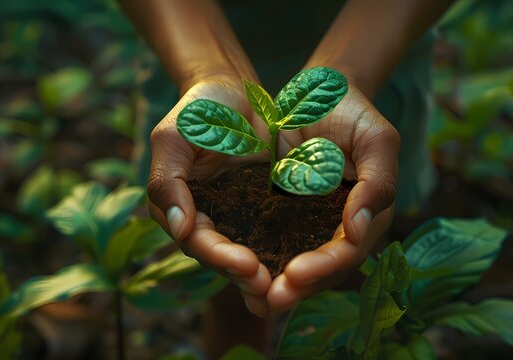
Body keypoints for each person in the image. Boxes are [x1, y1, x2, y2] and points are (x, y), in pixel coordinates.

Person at [118, 0, 452, 355]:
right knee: (227, 293)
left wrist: (352, 70)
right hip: (182, 37)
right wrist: (209, 71)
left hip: (384, 38)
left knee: (354, 275)